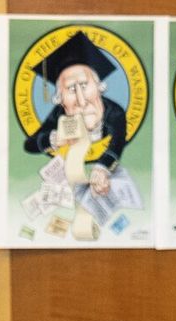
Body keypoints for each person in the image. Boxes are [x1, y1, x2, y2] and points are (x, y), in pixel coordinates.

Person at [22, 30, 126, 198]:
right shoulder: (59, 115)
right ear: (59, 99)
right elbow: (29, 144)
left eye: (84, 86)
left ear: (100, 87)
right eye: (71, 89)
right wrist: (52, 138)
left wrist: (101, 168)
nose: (82, 101)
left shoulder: (115, 113)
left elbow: (117, 144)